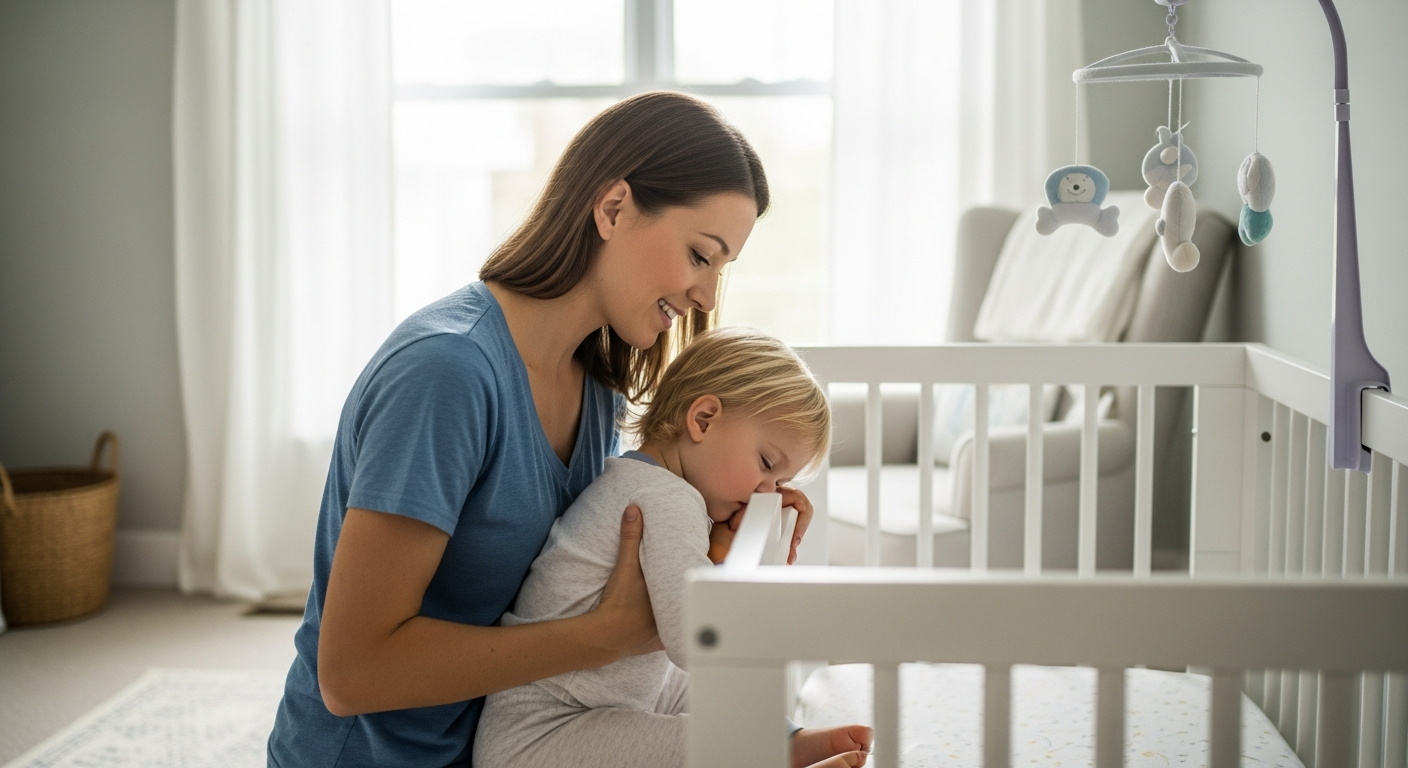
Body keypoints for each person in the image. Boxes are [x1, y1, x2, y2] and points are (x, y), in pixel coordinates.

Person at [266, 91, 817, 768]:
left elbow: (577, 574)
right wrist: (605, 636)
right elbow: (351, 675)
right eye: (701, 256)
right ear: (613, 208)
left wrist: (720, 547)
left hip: (503, 742)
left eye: (721, 270)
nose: (707, 296)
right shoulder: (448, 374)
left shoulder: (596, 388)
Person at [472, 327, 871, 768]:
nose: (767, 492)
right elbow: (697, 641)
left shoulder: (640, 479)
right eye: (766, 465)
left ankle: (783, 741)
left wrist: (724, 541)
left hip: (601, 700)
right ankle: (770, 752)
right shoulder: (669, 499)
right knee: (708, 733)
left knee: (689, 690)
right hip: (541, 739)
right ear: (702, 420)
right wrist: (743, 575)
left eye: (780, 482)